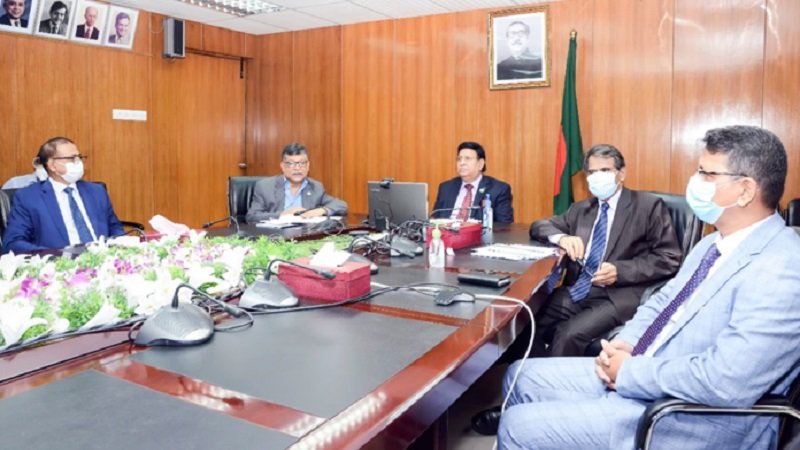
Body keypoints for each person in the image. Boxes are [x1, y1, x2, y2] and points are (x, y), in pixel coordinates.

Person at [497, 125, 800, 449]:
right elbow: (664, 302)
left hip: (692, 417)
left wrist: (630, 372)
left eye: (706, 174)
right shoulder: (712, 244)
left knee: (518, 427)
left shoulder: (781, 268)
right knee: (520, 376)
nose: (694, 182)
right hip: (650, 370)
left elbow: (726, 381)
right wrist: (627, 343)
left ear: (745, 190)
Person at [528, 144, 681, 357]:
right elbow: (539, 226)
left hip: (617, 295)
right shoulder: (581, 209)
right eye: (592, 172)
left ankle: (553, 379)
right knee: (527, 321)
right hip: (578, 289)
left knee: (568, 334)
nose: (597, 177)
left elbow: (669, 258)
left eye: (605, 170)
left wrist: (619, 271)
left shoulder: (647, 206)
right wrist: (562, 238)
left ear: (621, 174)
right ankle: (526, 372)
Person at [2, 137, 124, 254]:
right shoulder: (28, 197)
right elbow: (13, 243)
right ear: (52, 165)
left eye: (79, 157)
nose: (78, 162)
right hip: (59, 263)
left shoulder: (97, 191)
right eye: (72, 158)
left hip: (102, 259)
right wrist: (54, 255)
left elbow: (115, 228)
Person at [245, 143, 347, 222]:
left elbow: (341, 205)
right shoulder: (265, 186)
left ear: (308, 166)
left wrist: (321, 210)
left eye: (302, 163)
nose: (297, 168)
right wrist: (282, 214)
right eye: (291, 164)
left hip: (306, 236)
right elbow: (252, 216)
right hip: (276, 237)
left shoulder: (315, 187)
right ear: (282, 166)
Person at [431, 141, 514, 223]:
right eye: (459, 159)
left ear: (480, 164)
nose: (462, 163)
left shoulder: (498, 189)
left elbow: (504, 226)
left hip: (478, 231)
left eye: (467, 158)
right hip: (447, 231)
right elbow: (434, 219)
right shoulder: (446, 188)